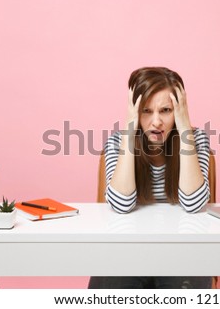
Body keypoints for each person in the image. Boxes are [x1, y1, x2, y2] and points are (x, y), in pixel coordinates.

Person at [88, 67, 212, 289]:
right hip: (127, 252)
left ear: (179, 110)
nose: (156, 122)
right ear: (135, 111)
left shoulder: (196, 140)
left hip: (181, 253)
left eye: (165, 110)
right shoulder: (119, 142)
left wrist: (184, 128)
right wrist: (129, 129)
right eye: (146, 111)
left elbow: (194, 204)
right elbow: (121, 204)